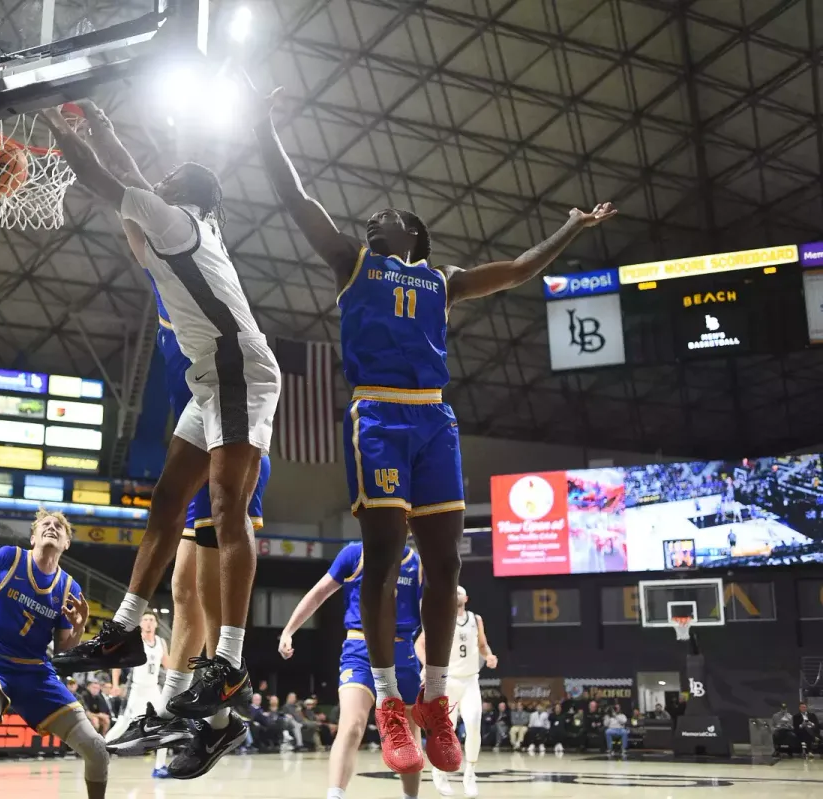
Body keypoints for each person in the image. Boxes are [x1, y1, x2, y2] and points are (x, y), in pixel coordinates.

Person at [247, 75, 617, 775]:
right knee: (382, 560)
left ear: (410, 234)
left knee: (446, 567)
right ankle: (391, 701)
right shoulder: (351, 261)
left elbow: (516, 271)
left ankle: (434, 700)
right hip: (379, 414)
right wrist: (266, 127)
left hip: (433, 419)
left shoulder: (441, 279)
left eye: (383, 215)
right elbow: (295, 198)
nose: (370, 220)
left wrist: (571, 226)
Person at [42, 105, 279, 772]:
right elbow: (127, 175)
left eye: (172, 174)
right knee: (166, 501)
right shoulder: (176, 228)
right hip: (211, 381)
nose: (161, 177)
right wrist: (103, 131)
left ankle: (225, 667)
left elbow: (109, 181)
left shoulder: (180, 222)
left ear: (189, 192)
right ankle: (123, 631)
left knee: (224, 520)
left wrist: (69, 141)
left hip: (238, 374)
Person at [0, 510, 110, 799]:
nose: (52, 528)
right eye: (45, 525)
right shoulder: (9, 558)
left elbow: (64, 652)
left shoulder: (69, 588)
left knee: (97, 750)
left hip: (36, 674)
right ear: (33, 536)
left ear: (66, 544)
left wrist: (79, 627)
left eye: (59, 527)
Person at [279, 542, 424, 799]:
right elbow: (318, 593)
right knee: (352, 724)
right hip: (360, 649)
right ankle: (335, 795)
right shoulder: (354, 554)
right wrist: (289, 630)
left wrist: (433, 666)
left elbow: (432, 616)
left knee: (408, 732)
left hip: (402, 652)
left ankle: (410, 796)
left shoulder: (418, 563)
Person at [427, 586, 497, 797]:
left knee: (474, 724)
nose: (456, 595)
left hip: (470, 682)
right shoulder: (440, 618)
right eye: (453, 592)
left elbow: (483, 645)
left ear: (466, 598)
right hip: (448, 682)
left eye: (459, 592)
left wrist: (490, 656)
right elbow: (421, 644)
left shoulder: (476, 619)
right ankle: (439, 772)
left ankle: (470, 774)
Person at [105, 609, 172, 768]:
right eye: (145, 619)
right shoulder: (133, 642)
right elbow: (117, 664)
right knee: (122, 724)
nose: (148, 622)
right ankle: (99, 752)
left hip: (153, 689)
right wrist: (115, 685)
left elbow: (167, 665)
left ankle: (160, 767)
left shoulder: (161, 642)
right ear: (140, 623)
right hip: (135, 689)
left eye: (151, 620)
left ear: (156, 623)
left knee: (164, 724)